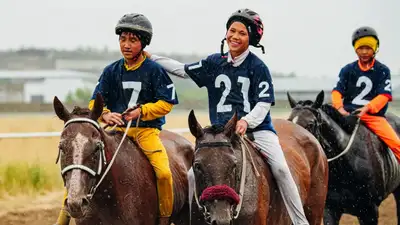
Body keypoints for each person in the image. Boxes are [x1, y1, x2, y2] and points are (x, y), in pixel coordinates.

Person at [146, 8, 310, 225]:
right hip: (220, 135)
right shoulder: (214, 62)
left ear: (251, 38)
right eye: (232, 30)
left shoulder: (258, 67)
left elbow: (263, 104)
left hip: (256, 131)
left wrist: (246, 121)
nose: (235, 36)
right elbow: (183, 70)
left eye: (242, 33)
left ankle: (300, 221)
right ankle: (194, 218)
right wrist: (151, 57)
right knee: (194, 175)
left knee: (281, 168)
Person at [54, 13, 178, 225]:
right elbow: (94, 103)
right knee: (82, 162)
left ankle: (164, 217)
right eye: (123, 39)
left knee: (164, 173)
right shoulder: (111, 71)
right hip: (116, 131)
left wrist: (142, 111)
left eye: (133, 40)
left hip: (145, 132)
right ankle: (64, 216)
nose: (126, 45)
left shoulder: (155, 71)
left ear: (143, 42)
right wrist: (106, 114)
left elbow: (166, 102)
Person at [331, 26, 400, 162]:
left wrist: (367, 108)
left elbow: (384, 96)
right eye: (360, 48)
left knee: (397, 145)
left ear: (375, 48)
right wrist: (339, 108)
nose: (364, 52)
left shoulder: (382, 70)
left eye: (368, 48)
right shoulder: (347, 70)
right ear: (355, 49)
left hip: (373, 117)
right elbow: (337, 92)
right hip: (349, 115)